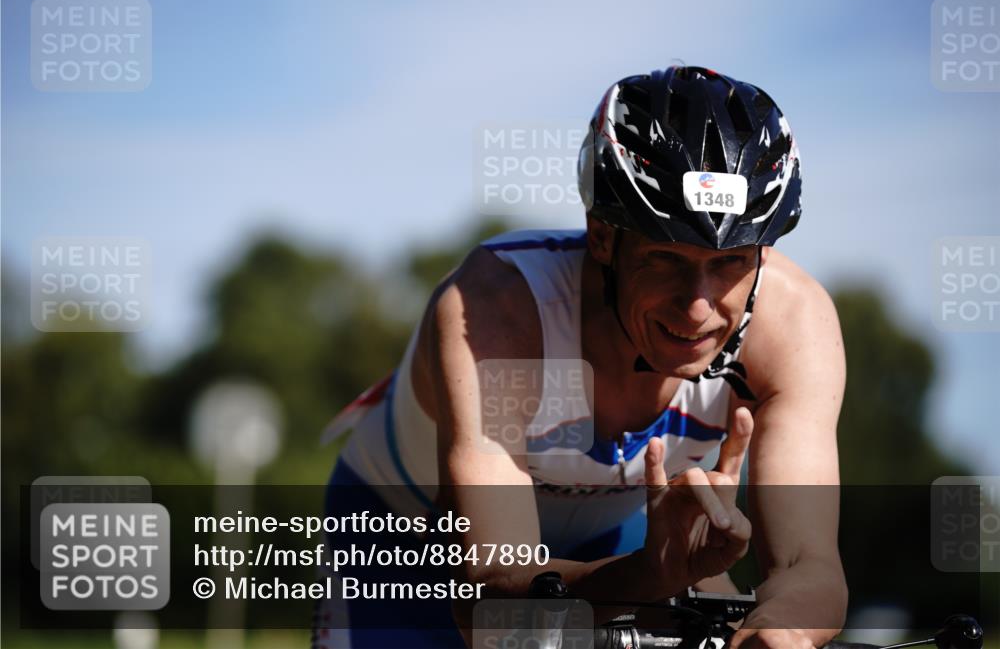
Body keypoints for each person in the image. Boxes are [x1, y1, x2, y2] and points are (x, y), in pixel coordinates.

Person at [312, 66, 847, 649]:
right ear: (602, 236)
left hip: (618, 540)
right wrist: (649, 576)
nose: (697, 309)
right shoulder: (500, 308)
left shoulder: (794, 326)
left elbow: (809, 568)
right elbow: (491, 605)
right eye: (665, 259)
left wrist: (781, 634)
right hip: (408, 538)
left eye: (729, 263)